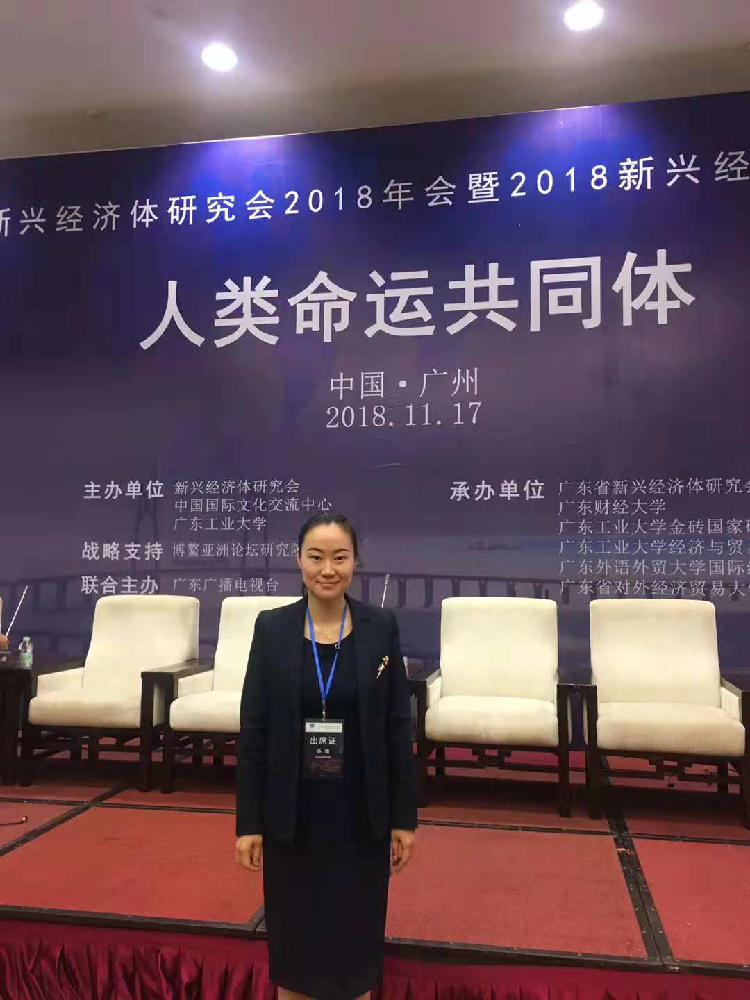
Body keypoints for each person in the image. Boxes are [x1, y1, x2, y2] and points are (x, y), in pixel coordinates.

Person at [235, 513, 417, 1000]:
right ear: (299, 560)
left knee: (354, 951)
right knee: (296, 953)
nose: (328, 569)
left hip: (360, 815)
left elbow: (397, 726)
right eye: (316, 557)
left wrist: (404, 818)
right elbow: (254, 729)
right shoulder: (272, 628)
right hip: (292, 816)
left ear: (356, 561)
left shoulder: (380, 627)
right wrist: (249, 823)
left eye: (340, 557)